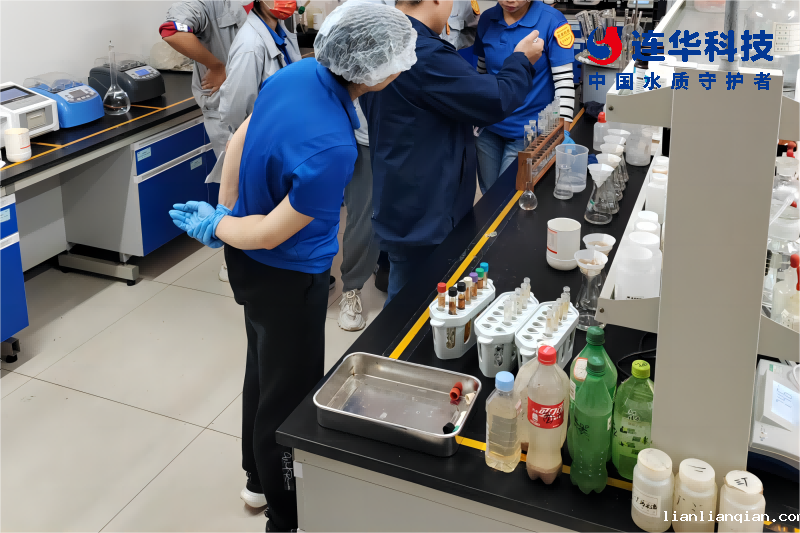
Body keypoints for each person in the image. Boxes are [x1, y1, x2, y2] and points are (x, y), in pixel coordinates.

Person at [169, 4, 417, 532]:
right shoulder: (333, 146)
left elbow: (241, 135)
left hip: (250, 268)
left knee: (262, 371)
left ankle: (256, 479)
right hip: (288, 278)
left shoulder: (299, 73)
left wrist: (224, 213)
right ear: (377, 72)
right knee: (288, 399)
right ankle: (285, 515)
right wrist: (224, 225)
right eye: (399, 61)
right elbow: (271, 232)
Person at [360, 0, 543, 304]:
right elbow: (495, 98)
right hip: (426, 209)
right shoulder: (424, 52)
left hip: (400, 190)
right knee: (417, 303)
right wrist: (521, 60)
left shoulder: (381, 39)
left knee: (407, 285)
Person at [338, 0, 476, 327]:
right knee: (366, 222)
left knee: (402, 242)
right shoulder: (368, 15)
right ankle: (356, 290)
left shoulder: (425, 37)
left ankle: (389, 275)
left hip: (407, 139)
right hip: (375, 138)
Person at [211, 0, 302, 284]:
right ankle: (249, 272)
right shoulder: (251, 44)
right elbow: (235, 109)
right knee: (255, 217)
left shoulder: (282, 33)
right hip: (259, 145)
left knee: (276, 218)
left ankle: (285, 273)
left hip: (281, 142)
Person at [473, 0, 576, 192]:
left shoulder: (553, 21)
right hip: (489, 130)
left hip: (529, 135)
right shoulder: (487, 19)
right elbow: (482, 71)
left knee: (509, 197)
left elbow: (564, 83)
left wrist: (562, 133)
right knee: (489, 197)